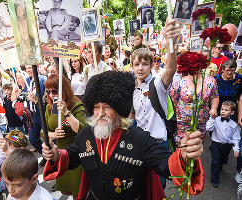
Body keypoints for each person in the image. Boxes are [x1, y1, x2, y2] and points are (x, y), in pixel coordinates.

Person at [42, 70, 204, 200]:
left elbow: (166, 163)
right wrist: (56, 155)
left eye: (106, 107)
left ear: (119, 109)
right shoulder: (86, 134)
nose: (100, 113)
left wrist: (184, 155)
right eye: (96, 107)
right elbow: (71, 156)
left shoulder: (139, 138)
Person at [132, 19, 179, 189]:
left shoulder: (158, 85)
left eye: (145, 63)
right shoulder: (131, 90)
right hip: (140, 144)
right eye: (137, 64)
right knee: (142, 184)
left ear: (152, 65)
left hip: (159, 143)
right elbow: (131, 118)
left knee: (159, 185)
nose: (141, 68)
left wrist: (170, 43)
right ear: (132, 66)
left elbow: (171, 69)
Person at [44, 75, 87, 199]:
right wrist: (52, 135)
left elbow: (83, 130)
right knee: (66, 190)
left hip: (76, 152)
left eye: (55, 91)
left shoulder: (76, 106)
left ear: (64, 89)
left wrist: (66, 112)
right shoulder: (49, 107)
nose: (51, 94)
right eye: (48, 91)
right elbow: (45, 131)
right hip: (60, 153)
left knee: (78, 192)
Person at [206, 101, 241, 188]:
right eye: (222, 109)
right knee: (215, 161)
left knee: (223, 159)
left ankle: (221, 164)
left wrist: (236, 149)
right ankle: (214, 179)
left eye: (226, 110)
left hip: (227, 146)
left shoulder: (234, 125)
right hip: (216, 144)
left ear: (232, 112)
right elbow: (208, 128)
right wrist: (212, 118)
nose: (223, 111)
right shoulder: (216, 120)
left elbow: (236, 138)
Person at [24, 65, 47, 156]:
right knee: (33, 138)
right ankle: (45, 155)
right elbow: (27, 95)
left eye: (30, 67)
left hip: (42, 112)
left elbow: (46, 98)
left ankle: (53, 156)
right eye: (26, 68)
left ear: (36, 67)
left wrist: (36, 99)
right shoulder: (27, 80)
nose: (28, 70)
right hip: (32, 114)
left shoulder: (42, 79)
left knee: (49, 136)